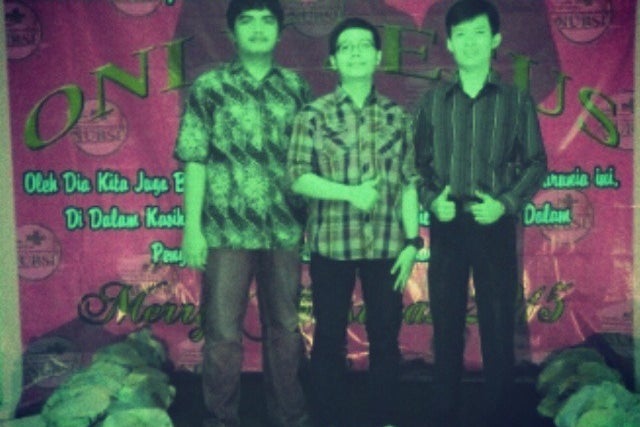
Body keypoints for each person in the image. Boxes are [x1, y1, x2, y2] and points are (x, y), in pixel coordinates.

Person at [173, 1, 312, 426]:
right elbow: (194, 159)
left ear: (280, 32)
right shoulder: (209, 87)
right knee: (221, 332)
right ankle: (220, 418)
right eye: (247, 21)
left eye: (267, 21)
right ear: (232, 32)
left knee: (285, 329)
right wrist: (192, 230)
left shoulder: (296, 88)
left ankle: (289, 417)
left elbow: (308, 164)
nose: (257, 29)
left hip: (283, 229)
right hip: (225, 232)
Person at [412, 1, 548, 427]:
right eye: (461, 35)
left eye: (479, 33)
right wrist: (431, 200)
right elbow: (416, 165)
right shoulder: (433, 102)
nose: (470, 42)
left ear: (495, 40)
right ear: (449, 43)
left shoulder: (515, 100)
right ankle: (443, 408)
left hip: (494, 223)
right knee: (446, 321)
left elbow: (536, 162)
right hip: (447, 224)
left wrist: (505, 203)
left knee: (497, 321)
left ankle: (500, 410)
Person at [288, 17, 420, 427]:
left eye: (364, 46)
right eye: (346, 47)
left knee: (385, 337)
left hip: (387, 246)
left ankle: (384, 416)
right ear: (333, 60)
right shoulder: (312, 115)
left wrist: (413, 242)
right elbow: (297, 177)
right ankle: (328, 417)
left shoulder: (398, 116)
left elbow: (410, 183)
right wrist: (350, 193)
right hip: (332, 245)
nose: (356, 53)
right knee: (329, 337)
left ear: (378, 56)